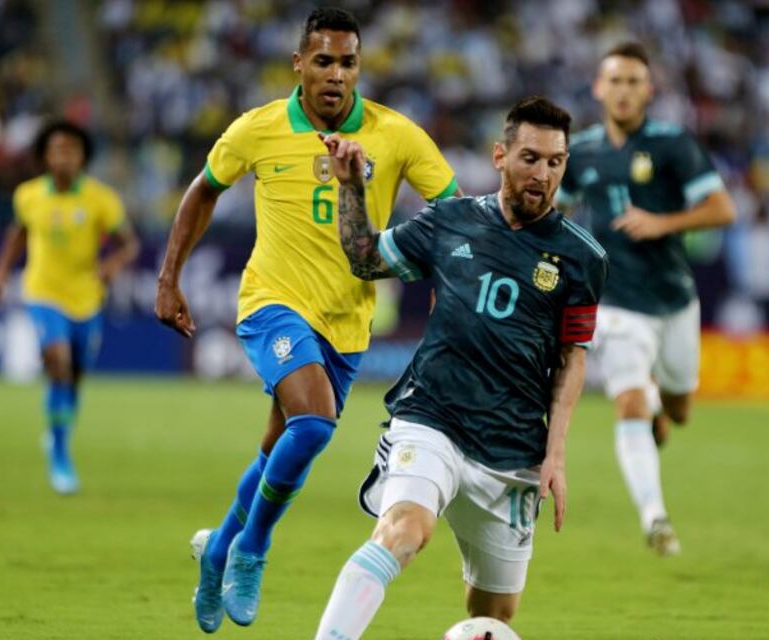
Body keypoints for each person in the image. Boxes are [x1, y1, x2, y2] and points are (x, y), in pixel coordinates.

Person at [153, 7, 460, 633]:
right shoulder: (258, 128)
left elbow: (454, 214)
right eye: (323, 60)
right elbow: (203, 188)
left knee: (279, 447)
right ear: (299, 64)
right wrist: (169, 277)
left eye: (348, 62)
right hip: (272, 300)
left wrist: (447, 287)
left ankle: (216, 549)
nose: (336, 74)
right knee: (315, 423)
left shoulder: (396, 135)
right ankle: (252, 549)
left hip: (348, 322)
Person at [314, 96, 607, 638]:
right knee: (404, 530)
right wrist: (350, 185)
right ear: (499, 156)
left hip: (513, 445)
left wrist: (556, 454)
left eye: (554, 162)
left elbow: (572, 358)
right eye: (530, 158)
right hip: (433, 416)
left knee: (492, 616)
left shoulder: (583, 259)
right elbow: (364, 256)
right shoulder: (449, 221)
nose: (542, 174)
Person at [555, 42, 735, 555]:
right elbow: (557, 217)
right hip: (614, 304)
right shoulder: (581, 151)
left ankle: (663, 404)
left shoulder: (673, 143)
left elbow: (723, 208)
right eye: (615, 80)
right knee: (628, 401)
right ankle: (656, 518)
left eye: (634, 81)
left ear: (649, 91)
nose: (624, 90)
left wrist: (663, 222)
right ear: (598, 88)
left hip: (675, 300)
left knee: (679, 410)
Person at [0, 120, 139, 495]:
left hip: (86, 298)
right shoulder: (28, 195)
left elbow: (129, 244)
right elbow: (18, 234)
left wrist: (109, 267)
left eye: (70, 150)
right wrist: (1, 272)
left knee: (74, 377)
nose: (63, 157)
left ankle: (58, 426)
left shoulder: (100, 199)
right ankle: (59, 453)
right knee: (57, 361)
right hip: (42, 292)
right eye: (56, 150)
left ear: (83, 157)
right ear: (44, 156)